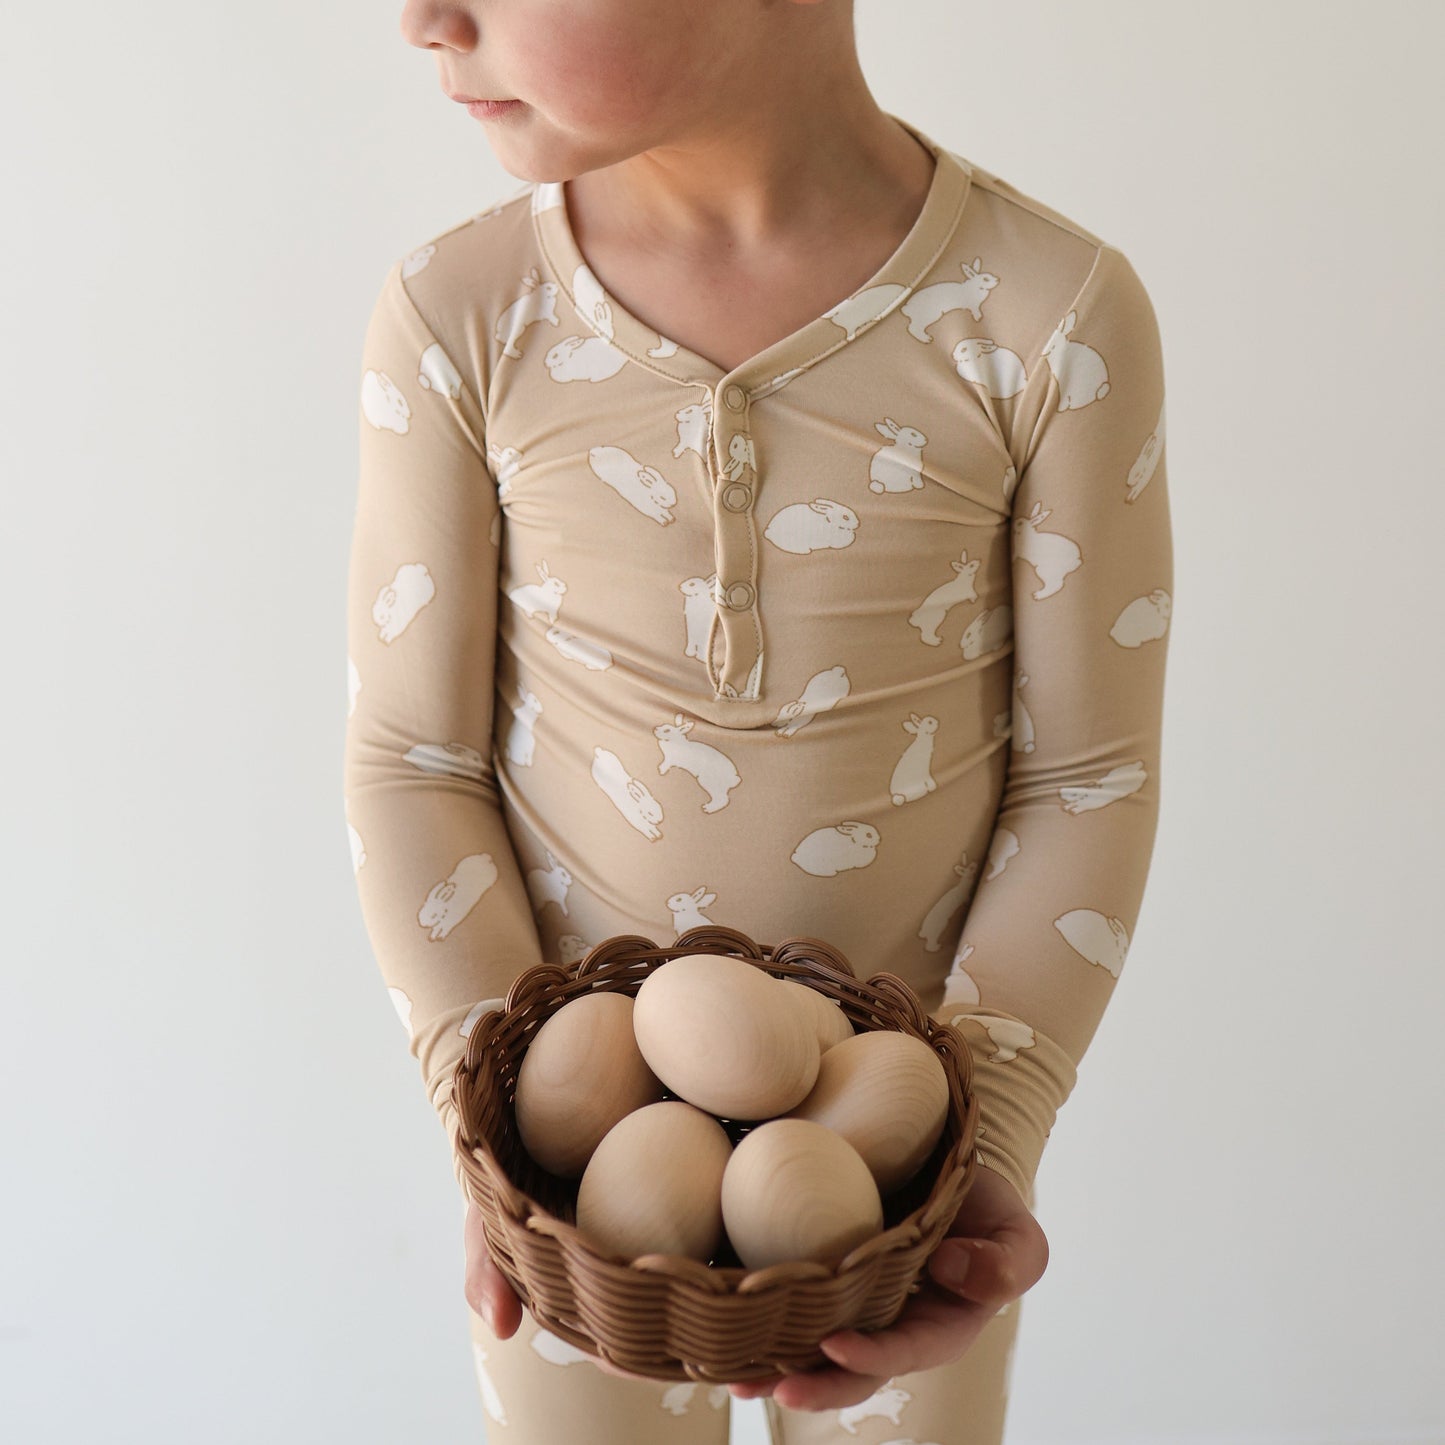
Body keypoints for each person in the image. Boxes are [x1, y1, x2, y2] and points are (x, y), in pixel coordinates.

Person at [343, 0, 1173, 1439]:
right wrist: (488, 1118)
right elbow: (412, 762)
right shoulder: (463, 315)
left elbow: (1087, 776)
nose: (425, 20)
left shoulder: (1046, 318)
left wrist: (984, 1135)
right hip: (569, 1193)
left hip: (905, 1185)